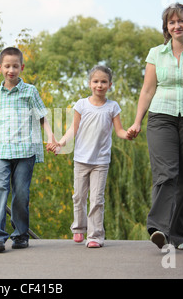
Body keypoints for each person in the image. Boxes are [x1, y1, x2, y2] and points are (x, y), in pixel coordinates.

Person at [127, 3, 183, 250]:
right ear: (167, 27)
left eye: (181, 21)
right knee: (167, 173)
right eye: (172, 22)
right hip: (161, 116)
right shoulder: (156, 53)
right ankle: (158, 228)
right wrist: (137, 121)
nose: (177, 26)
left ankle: (180, 235)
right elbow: (147, 90)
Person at [0, 47, 55, 253]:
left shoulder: (30, 91)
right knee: (0, 189)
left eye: (15, 66)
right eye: (7, 66)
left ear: (21, 67)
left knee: (21, 194)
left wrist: (51, 137)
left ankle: (21, 234)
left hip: (26, 151)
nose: (11, 70)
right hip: (3, 152)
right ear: (0, 67)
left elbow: (42, 116)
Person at [47, 65, 132, 248]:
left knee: (97, 199)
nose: (99, 85)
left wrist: (128, 134)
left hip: (100, 161)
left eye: (103, 82)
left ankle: (95, 236)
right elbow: (73, 129)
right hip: (81, 160)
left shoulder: (113, 107)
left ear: (110, 85)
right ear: (89, 83)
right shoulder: (81, 104)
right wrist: (61, 143)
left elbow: (119, 131)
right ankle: (79, 228)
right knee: (78, 196)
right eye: (96, 81)